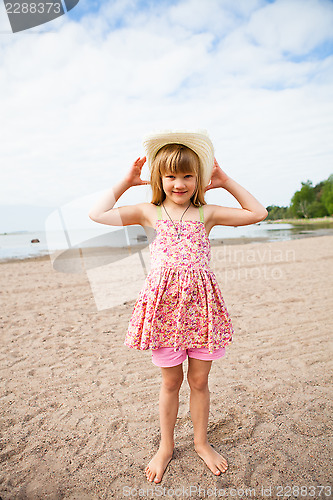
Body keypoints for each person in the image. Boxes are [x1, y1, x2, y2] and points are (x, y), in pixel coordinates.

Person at [89, 131, 268, 484]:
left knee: (200, 381)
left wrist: (226, 181)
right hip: (165, 311)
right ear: (159, 178)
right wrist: (126, 182)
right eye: (171, 175)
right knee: (171, 382)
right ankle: (166, 445)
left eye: (188, 175)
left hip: (202, 309)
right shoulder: (147, 211)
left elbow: (258, 212)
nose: (179, 183)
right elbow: (97, 214)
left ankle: (201, 442)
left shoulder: (207, 212)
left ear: (199, 178)